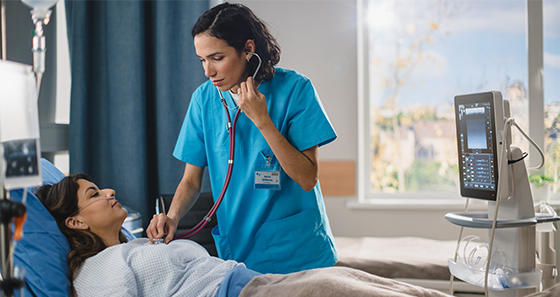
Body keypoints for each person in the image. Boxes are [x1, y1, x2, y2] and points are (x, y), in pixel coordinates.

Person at [146, 2, 338, 274]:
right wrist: (173, 216)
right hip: (238, 251)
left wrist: (262, 120)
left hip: (296, 251)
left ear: (248, 49)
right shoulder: (203, 99)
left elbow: (307, 178)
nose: (207, 71)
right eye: (202, 60)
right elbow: (191, 180)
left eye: (217, 58)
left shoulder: (296, 90)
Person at [37, 174, 454, 297]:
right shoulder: (95, 271)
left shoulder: (137, 246)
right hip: (241, 294)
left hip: (255, 280)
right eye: (94, 194)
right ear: (75, 222)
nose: (109, 190)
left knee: (377, 285)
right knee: (341, 287)